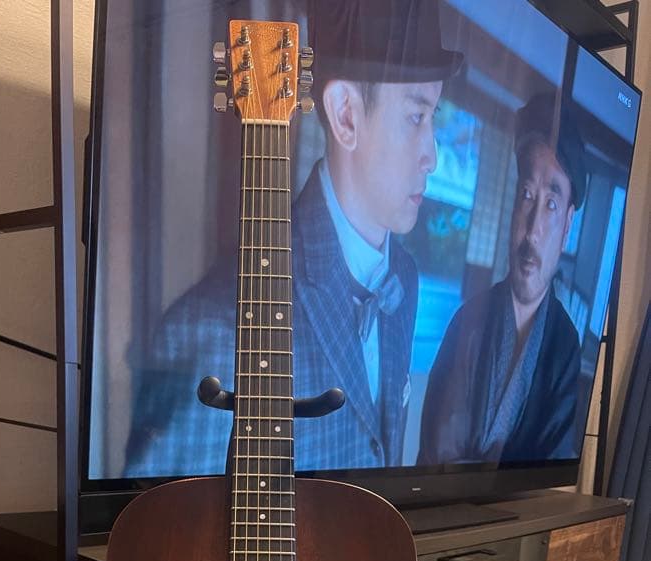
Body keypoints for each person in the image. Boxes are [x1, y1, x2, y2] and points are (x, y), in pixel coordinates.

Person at [123, 0, 463, 478]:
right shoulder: (212, 327)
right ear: (346, 115)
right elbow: (163, 522)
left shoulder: (403, 277)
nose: (432, 156)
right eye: (415, 117)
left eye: (433, 117)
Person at [418, 93, 587, 466]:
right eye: (526, 195)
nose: (533, 230)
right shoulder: (468, 320)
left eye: (551, 204)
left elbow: (549, 465)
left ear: (567, 226)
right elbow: (436, 455)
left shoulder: (564, 345)